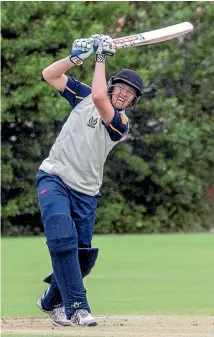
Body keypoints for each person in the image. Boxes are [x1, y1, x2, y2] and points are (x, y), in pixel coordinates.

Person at [36, 34, 143, 327]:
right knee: (61, 239)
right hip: (55, 177)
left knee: (81, 258)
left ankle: (50, 301)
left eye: (129, 93)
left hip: (86, 192)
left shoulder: (120, 124)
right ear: (112, 86)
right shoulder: (81, 95)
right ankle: (78, 307)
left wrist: (100, 58)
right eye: (119, 88)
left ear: (132, 101)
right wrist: (77, 58)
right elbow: (49, 74)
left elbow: (99, 97)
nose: (122, 94)